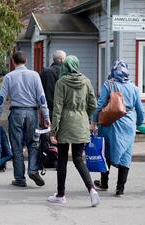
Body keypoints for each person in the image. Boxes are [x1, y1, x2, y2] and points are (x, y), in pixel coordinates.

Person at [48, 55, 100, 207]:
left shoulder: (61, 82)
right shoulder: (86, 81)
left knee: (62, 159)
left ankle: (61, 194)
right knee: (78, 159)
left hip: (65, 123)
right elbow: (93, 104)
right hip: (81, 122)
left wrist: (53, 131)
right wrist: (85, 115)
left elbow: (57, 109)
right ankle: (92, 190)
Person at [0, 51, 50, 187]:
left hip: (16, 113)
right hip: (32, 113)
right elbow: (41, 97)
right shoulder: (35, 75)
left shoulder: (9, 77)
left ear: (13, 62)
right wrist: (46, 116)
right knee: (34, 143)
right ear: (25, 61)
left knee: (17, 146)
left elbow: (1, 98)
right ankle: (32, 169)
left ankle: (20, 178)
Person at [91, 60, 144, 196]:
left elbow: (100, 104)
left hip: (110, 124)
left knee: (106, 152)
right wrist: (138, 123)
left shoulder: (108, 84)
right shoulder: (134, 88)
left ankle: (104, 183)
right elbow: (140, 110)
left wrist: (94, 120)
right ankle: (120, 189)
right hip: (129, 124)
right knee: (126, 155)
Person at [40, 50, 66, 120]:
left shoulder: (45, 72)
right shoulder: (66, 73)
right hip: (62, 109)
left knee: (47, 129)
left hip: (46, 108)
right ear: (62, 60)